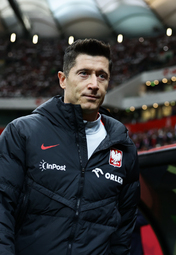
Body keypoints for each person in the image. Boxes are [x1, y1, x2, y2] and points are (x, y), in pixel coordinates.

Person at [0, 38, 140, 255]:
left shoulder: (124, 147)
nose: (94, 84)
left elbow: (123, 231)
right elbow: (2, 209)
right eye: (84, 73)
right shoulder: (22, 133)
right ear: (63, 79)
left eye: (102, 75)